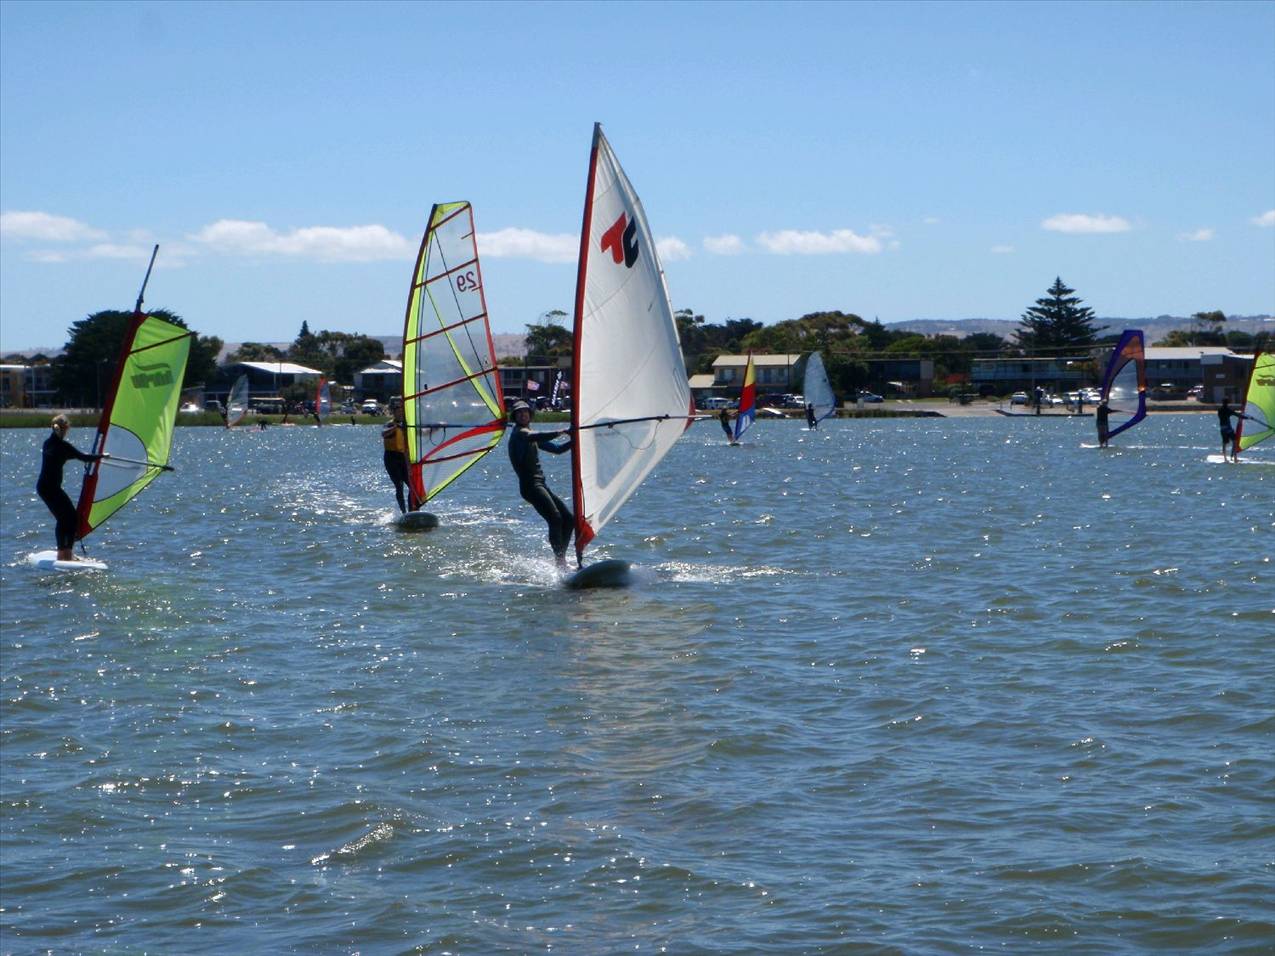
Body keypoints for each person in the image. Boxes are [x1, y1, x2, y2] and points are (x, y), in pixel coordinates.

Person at [508, 399, 574, 567]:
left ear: (530, 415)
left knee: (568, 518)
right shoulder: (520, 434)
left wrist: (576, 439)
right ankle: (559, 560)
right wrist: (562, 431)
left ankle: (561, 557)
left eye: (526, 412)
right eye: (519, 413)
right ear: (515, 417)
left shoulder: (530, 435)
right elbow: (533, 436)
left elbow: (557, 450)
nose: (523, 414)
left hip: (541, 484)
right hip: (530, 486)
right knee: (555, 518)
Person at [36, 415, 100, 561]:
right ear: (66, 429)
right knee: (70, 519)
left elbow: (62, 456)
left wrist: (89, 456)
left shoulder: (48, 443)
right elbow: (83, 457)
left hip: (44, 488)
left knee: (64, 518)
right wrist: (102, 456)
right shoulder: (62, 446)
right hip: (51, 489)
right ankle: (66, 554)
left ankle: (63, 553)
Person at [381, 400, 418, 513]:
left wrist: (433, 429)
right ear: (394, 413)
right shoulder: (390, 424)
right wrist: (396, 427)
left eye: (402, 412)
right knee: (399, 485)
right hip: (391, 458)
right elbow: (384, 433)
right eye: (398, 412)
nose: (400, 414)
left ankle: (412, 511)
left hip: (403, 458)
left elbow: (419, 432)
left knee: (413, 487)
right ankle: (404, 512)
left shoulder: (406, 426)